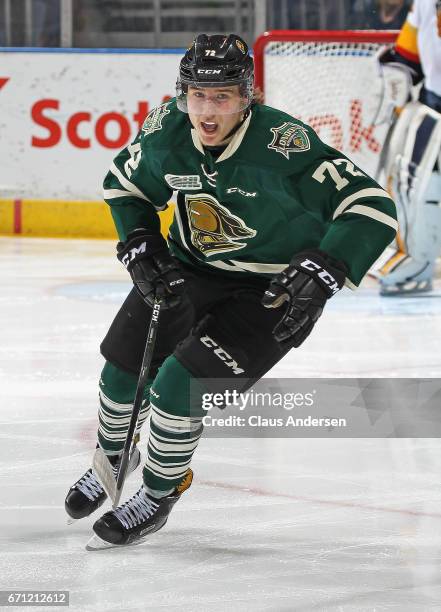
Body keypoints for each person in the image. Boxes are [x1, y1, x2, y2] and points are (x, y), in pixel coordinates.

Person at [64, 34, 397, 550]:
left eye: (222, 96)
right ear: (183, 95)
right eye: (198, 94)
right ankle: (114, 452)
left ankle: (159, 490)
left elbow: (371, 205)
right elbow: (125, 187)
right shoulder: (166, 134)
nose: (208, 109)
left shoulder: (285, 146)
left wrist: (327, 268)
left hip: (270, 290)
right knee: (120, 371)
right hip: (189, 269)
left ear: (247, 98)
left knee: (178, 389)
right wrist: (139, 240)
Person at [376, 0, 441, 295]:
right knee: (410, 183)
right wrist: (397, 75)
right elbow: (409, 54)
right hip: (434, 102)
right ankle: (419, 259)